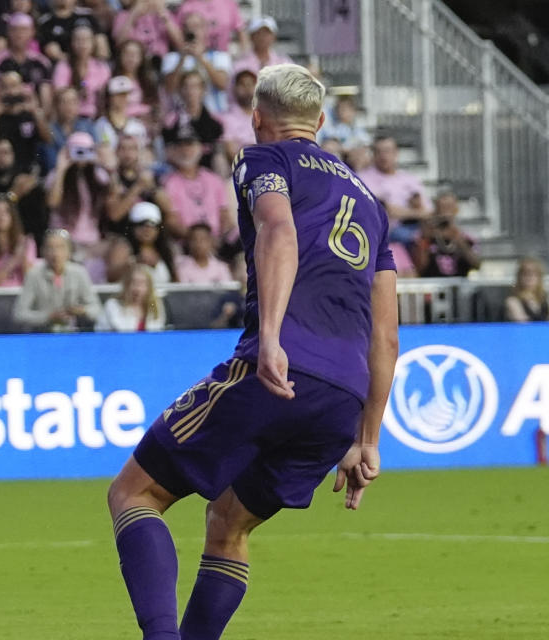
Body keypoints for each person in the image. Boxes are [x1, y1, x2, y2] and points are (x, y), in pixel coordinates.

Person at [106, 63, 399, 640]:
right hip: (343, 398)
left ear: (257, 118)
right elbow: (386, 335)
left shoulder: (263, 158)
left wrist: (269, 338)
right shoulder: (372, 205)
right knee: (228, 524)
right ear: (319, 121)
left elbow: (278, 231)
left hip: (280, 366)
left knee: (133, 493)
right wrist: (368, 438)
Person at [13, 228, 101, 331]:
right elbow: (19, 314)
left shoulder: (79, 273)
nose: (55, 253)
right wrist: (47, 317)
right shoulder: (34, 275)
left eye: (61, 247)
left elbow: (97, 309)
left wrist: (83, 311)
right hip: (42, 336)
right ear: (43, 251)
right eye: (50, 248)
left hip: (72, 335)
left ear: (69, 251)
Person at [356, 136, 431, 243]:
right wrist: (416, 212)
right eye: (378, 152)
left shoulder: (409, 178)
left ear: (396, 153)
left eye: (387, 151)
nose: (383, 156)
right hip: (386, 232)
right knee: (414, 238)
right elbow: (385, 210)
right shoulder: (363, 179)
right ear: (373, 155)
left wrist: (407, 212)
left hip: (416, 227)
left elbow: (427, 210)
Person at [0, 70, 50, 173]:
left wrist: (37, 114)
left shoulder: (30, 114)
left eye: (14, 86)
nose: (10, 92)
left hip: (27, 169)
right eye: (5, 87)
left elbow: (48, 139)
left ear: (21, 88)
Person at [410, 191, 480, 278]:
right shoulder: (423, 236)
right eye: (442, 207)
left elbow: (476, 265)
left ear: (456, 210)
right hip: (433, 287)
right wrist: (426, 238)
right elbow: (419, 269)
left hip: (460, 287)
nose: (446, 212)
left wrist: (459, 240)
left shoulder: (466, 237)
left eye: (449, 207)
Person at [51, 23, 110, 120]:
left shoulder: (101, 66)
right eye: (78, 40)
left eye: (86, 40)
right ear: (72, 43)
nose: (83, 44)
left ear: (93, 43)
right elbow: (60, 93)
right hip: (72, 117)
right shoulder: (64, 66)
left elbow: (106, 93)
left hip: (97, 116)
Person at [95, 263, 165, 332]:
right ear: (127, 284)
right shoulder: (113, 305)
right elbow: (100, 334)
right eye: (134, 282)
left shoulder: (155, 305)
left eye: (142, 283)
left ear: (149, 286)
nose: (137, 288)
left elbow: (159, 333)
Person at [128, 200, 176, 284]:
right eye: (141, 224)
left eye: (153, 224)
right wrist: (135, 262)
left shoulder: (167, 252)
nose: (147, 229)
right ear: (133, 227)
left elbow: (176, 282)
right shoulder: (124, 250)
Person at [504, 257, 548, 322]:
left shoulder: (545, 299)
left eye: (534, 274)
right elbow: (524, 324)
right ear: (519, 277)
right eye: (525, 274)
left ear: (540, 277)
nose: (530, 277)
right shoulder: (512, 301)